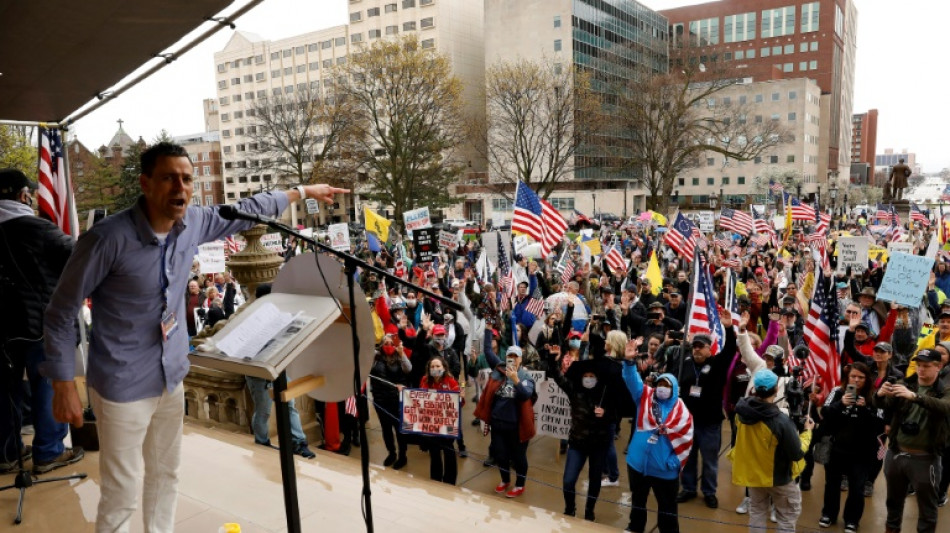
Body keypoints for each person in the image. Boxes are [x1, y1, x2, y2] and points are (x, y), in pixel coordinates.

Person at [42, 142, 347, 532]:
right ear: (146, 183)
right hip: (121, 385)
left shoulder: (195, 222)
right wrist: (63, 383)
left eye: (187, 179)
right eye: (169, 178)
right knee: (121, 491)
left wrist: (302, 192)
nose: (180, 188)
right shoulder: (106, 239)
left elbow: (248, 208)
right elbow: (60, 311)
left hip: (170, 377)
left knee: (166, 476)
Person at [0, 168, 83, 474]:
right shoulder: (37, 228)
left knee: (5, 391)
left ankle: (7, 452)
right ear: (24, 196)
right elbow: (79, 259)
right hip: (40, 327)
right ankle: (49, 452)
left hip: (3, 332)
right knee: (48, 385)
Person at [621, 339, 694, 533]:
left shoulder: (682, 412)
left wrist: (674, 463)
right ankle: (635, 527)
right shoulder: (645, 397)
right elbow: (633, 382)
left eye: (666, 385)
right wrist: (629, 363)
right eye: (660, 384)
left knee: (667, 510)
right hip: (638, 465)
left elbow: (686, 440)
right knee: (638, 501)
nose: (662, 388)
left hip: (664, 470)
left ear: (673, 389)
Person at [874, 349, 950, 533]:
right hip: (897, 453)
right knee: (893, 501)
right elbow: (883, 406)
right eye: (918, 365)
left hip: (926, 458)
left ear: (939, 367)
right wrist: (880, 394)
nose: (921, 370)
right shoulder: (905, 384)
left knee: (927, 508)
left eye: (926, 366)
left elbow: (945, 407)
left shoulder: (944, 390)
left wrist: (915, 397)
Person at [731, 369, 814, 533]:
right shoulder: (779, 421)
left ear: (754, 389)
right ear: (776, 390)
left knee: (757, 513)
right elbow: (797, 453)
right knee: (787, 518)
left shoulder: (741, 413)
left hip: (754, 476)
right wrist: (807, 432)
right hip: (780, 477)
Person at [816, 362, 885, 532]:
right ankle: (829, 514)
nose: (856, 380)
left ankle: (852, 520)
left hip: (861, 452)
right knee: (831, 484)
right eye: (853, 376)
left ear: (867, 379)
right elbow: (824, 413)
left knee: (857, 487)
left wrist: (865, 410)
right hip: (836, 448)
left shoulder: (874, 397)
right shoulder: (837, 392)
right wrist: (840, 404)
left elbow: (879, 425)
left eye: (861, 377)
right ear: (848, 377)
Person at [474, 339, 536, 499]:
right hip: (498, 423)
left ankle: (520, 484)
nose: (513, 359)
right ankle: (505, 480)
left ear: (521, 359)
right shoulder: (498, 371)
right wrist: (488, 327)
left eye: (516, 356)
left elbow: (525, 395)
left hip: (517, 426)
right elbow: (488, 350)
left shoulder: (525, 377)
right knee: (500, 455)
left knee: (518, 457)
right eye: (510, 356)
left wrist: (516, 380)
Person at [370, 334, 412, 469]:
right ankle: (391, 453)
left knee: (399, 429)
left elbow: (408, 369)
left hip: (396, 400)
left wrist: (402, 353)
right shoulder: (375, 357)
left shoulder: (399, 357)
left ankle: (402, 455)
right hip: (380, 400)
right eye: (385, 343)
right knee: (386, 429)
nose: (388, 346)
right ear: (381, 345)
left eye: (391, 343)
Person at [418, 356, 459, 485]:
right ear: (429, 369)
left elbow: (458, 405)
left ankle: (449, 482)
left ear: (444, 368)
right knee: (434, 454)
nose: (435, 369)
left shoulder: (451, 382)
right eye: (432, 367)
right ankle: (435, 481)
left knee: (449, 453)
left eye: (438, 366)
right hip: (431, 426)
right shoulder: (424, 381)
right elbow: (418, 399)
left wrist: (461, 398)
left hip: (446, 425)